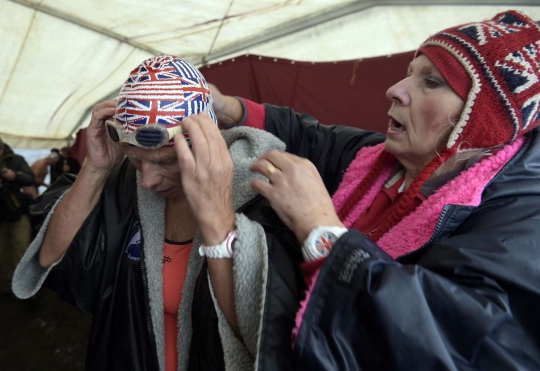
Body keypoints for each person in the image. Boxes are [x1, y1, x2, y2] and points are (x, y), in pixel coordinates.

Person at [207, 10, 540, 369]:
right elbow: (313, 137)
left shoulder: (523, 222)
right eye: (410, 74)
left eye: (431, 82)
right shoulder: (380, 161)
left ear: (481, 122)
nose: (394, 90)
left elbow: (442, 342)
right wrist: (230, 108)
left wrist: (319, 228)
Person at [12, 55, 303, 370]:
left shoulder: (261, 191)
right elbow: (50, 261)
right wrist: (96, 169)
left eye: (167, 162)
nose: (148, 180)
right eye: (136, 159)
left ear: (207, 141)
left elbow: (262, 344)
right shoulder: (123, 185)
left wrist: (217, 214)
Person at [0, 137, 34, 293]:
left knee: (21, 247)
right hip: (1, 215)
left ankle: (25, 285)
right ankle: (8, 285)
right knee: (3, 251)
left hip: (17, 211)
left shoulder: (16, 160)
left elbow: (29, 178)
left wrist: (15, 176)